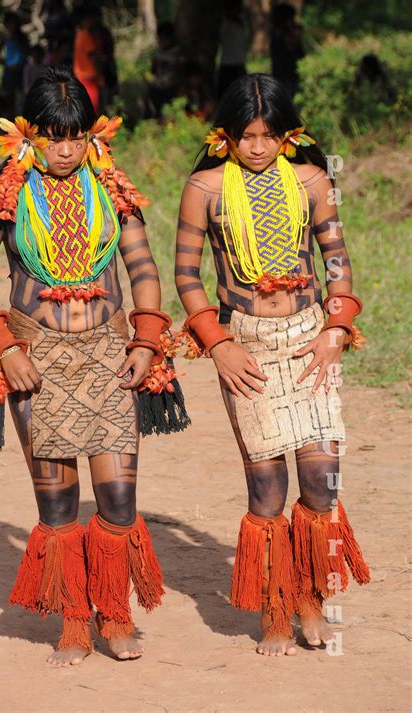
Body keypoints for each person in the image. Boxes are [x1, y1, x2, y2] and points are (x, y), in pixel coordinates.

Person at [0, 65, 169, 667]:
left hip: (108, 355)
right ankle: (75, 621)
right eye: (53, 137)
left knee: (119, 500)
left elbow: (143, 270)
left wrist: (145, 342)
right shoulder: (6, 190)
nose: (66, 150)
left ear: (92, 134)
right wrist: (7, 349)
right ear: (29, 133)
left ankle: (115, 613)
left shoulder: (112, 186)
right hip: (36, 361)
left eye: (76, 136)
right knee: (57, 508)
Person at [175, 73, 369, 657]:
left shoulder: (312, 181)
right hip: (248, 345)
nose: (257, 148)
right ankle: (276, 607)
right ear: (225, 137)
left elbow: (336, 260)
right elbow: (187, 276)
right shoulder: (205, 189)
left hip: (311, 338)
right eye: (246, 136)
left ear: (288, 135)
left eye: (269, 135)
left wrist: (337, 327)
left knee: (320, 478)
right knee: (267, 488)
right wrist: (218, 343)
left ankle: (310, 598)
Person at [270, 3, 304, 98]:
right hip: (284, 75)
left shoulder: (282, 32)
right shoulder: (278, 33)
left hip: (291, 74)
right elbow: (290, 43)